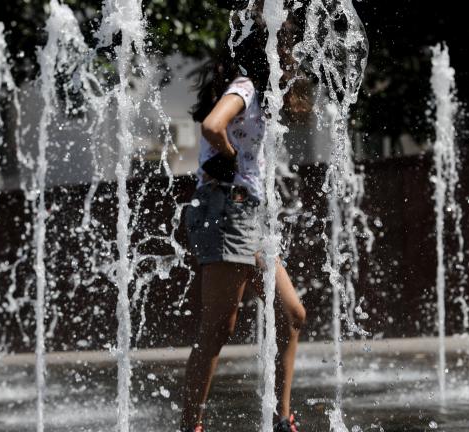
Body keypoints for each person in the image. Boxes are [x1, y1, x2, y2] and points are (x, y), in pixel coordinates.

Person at [180, 6, 310, 432]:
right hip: (227, 210)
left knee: (291, 314)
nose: (290, 57)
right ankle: (191, 425)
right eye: (286, 48)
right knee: (219, 326)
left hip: (247, 213)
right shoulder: (245, 86)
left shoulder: (256, 92)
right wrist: (230, 158)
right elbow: (212, 126)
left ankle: (281, 419)